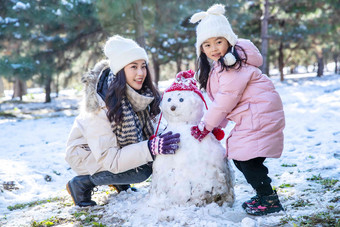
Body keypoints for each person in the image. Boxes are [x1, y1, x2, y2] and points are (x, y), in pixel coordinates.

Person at [189, 4, 285, 216]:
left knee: (247, 161)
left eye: (218, 41)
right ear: (201, 49)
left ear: (229, 41)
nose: (213, 48)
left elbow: (225, 100)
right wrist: (218, 124)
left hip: (259, 117)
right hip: (254, 115)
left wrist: (207, 125)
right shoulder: (223, 66)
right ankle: (263, 194)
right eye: (207, 45)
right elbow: (229, 102)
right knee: (241, 158)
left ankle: (269, 199)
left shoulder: (234, 66)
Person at [65, 35, 180, 207]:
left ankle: (118, 180)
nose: (140, 73)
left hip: (109, 150)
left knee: (149, 157)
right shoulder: (99, 105)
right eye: (133, 67)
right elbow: (109, 158)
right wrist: (150, 147)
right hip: (84, 154)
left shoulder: (137, 95)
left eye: (143, 66)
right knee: (142, 170)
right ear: (120, 71)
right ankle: (82, 183)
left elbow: (146, 131)